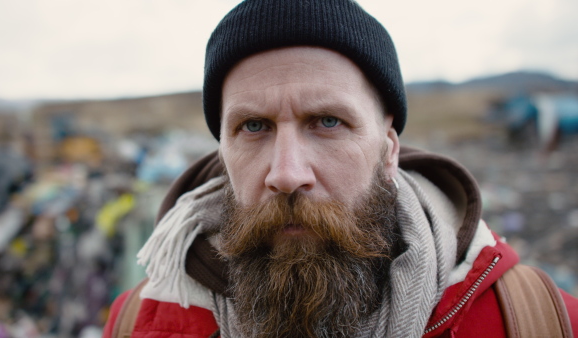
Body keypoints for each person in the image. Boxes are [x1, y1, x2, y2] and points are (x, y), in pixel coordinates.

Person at [104, 0, 578, 337]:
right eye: (253, 126)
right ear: (223, 151)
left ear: (388, 149)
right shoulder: (136, 322)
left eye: (327, 121)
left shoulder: (539, 321)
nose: (287, 174)